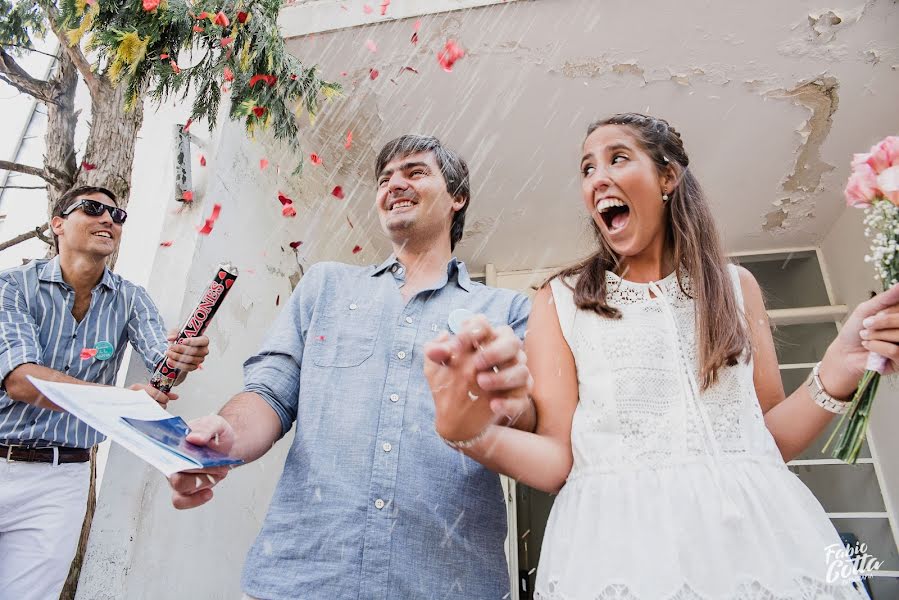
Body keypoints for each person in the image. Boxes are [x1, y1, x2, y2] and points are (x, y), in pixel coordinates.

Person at [425, 114, 899, 598]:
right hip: (624, 554)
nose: (597, 178)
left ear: (667, 177)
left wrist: (839, 367)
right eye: (587, 169)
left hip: (765, 541)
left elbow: (767, 438)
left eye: (617, 158)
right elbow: (554, 462)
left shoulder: (739, 289)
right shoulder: (559, 300)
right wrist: (470, 435)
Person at [167, 135, 534, 599]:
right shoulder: (325, 287)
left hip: (447, 582)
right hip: (305, 577)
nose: (394, 184)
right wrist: (226, 436)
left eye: (415, 172)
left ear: (457, 198)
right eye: (385, 179)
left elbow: (536, 426)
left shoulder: (506, 310)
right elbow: (270, 393)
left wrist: (502, 397)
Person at [0, 185, 210, 599]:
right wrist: (119, 400)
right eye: (94, 209)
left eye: (118, 216)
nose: (108, 220)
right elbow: (21, 380)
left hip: (63, 480)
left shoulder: (131, 299)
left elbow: (162, 369)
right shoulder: (11, 286)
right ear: (58, 224)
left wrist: (181, 358)